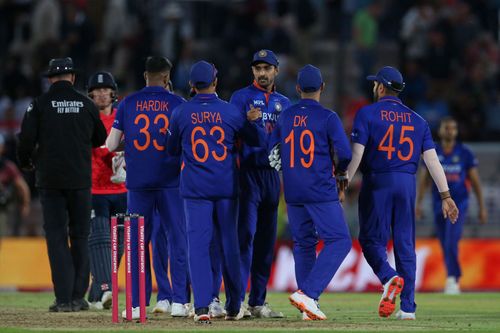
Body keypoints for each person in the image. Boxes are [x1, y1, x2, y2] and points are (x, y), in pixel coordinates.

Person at [347, 66, 459, 320]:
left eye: (376, 84)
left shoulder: (366, 113)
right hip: (406, 184)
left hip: (378, 182)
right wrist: (446, 195)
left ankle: (389, 278)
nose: (374, 87)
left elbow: (357, 155)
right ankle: (408, 308)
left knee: (370, 241)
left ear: (381, 87)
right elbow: (432, 161)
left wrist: (343, 183)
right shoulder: (418, 120)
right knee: (405, 245)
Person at [167, 60, 262, 323]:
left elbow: (171, 150)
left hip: (195, 188)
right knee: (229, 245)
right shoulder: (231, 112)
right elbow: (258, 141)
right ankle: (233, 305)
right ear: (215, 82)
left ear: (191, 85)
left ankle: (201, 308)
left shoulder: (181, 113)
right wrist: (251, 122)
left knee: (197, 247)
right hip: (226, 187)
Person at [17, 57, 107, 312]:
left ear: (50, 80)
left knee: (57, 237)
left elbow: (25, 140)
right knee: (80, 237)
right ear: (73, 78)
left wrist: (26, 162)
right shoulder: (86, 104)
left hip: (51, 181)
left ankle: (64, 298)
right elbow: (100, 138)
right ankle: (79, 297)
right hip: (80, 180)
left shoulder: (40, 104)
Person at [106, 56, 189, 319]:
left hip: (139, 184)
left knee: (136, 243)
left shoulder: (128, 103)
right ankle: (178, 301)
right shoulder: (178, 103)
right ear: (166, 77)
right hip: (170, 182)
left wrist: (129, 145)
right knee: (177, 240)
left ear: (145, 76)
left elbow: (110, 145)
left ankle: (135, 304)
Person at [269, 65, 352, 320]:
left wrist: (292, 173)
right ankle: (309, 293)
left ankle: (307, 306)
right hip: (319, 189)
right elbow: (346, 153)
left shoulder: (285, 117)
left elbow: (271, 155)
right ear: (322, 88)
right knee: (340, 240)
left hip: (293, 191)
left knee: (304, 244)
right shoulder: (328, 117)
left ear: (297, 89)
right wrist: (339, 173)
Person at [229, 49, 291, 318]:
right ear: (252, 72)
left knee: (266, 243)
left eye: (267, 68)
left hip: (272, 178)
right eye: (258, 69)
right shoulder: (240, 98)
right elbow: (227, 132)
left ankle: (257, 302)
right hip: (247, 176)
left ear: (276, 71)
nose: (262, 73)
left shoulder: (285, 103)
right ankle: (237, 301)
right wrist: (245, 120)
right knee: (245, 238)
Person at [416, 117, 487, 294]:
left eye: (453, 128)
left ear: (456, 131)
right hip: (437, 203)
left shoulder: (465, 153)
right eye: (446, 128)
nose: (450, 131)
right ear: (440, 131)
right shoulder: (432, 151)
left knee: (451, 239)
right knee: (444, 241)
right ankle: (452, 277)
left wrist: (482, 206)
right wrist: (418, 203)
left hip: (459, 203)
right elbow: (424, 180)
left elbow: (476, 182)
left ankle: (453, 279)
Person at [85, 71, 127, 310]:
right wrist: (110, 153)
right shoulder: (86, 118)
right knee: (101, 240)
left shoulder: (122, 117)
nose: (101, 94)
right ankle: (105, 289)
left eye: (105, 90)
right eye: (96, 90)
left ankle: (95, 294)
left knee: (119, 245)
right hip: (95, 189)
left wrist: (125, 161)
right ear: (90, 94)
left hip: (121, 189)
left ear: (113, 93)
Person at [0, 133, 30, 244]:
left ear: (2, 148)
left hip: (3, 209)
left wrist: (25, 203)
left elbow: (22, 186)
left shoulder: (8, 167)